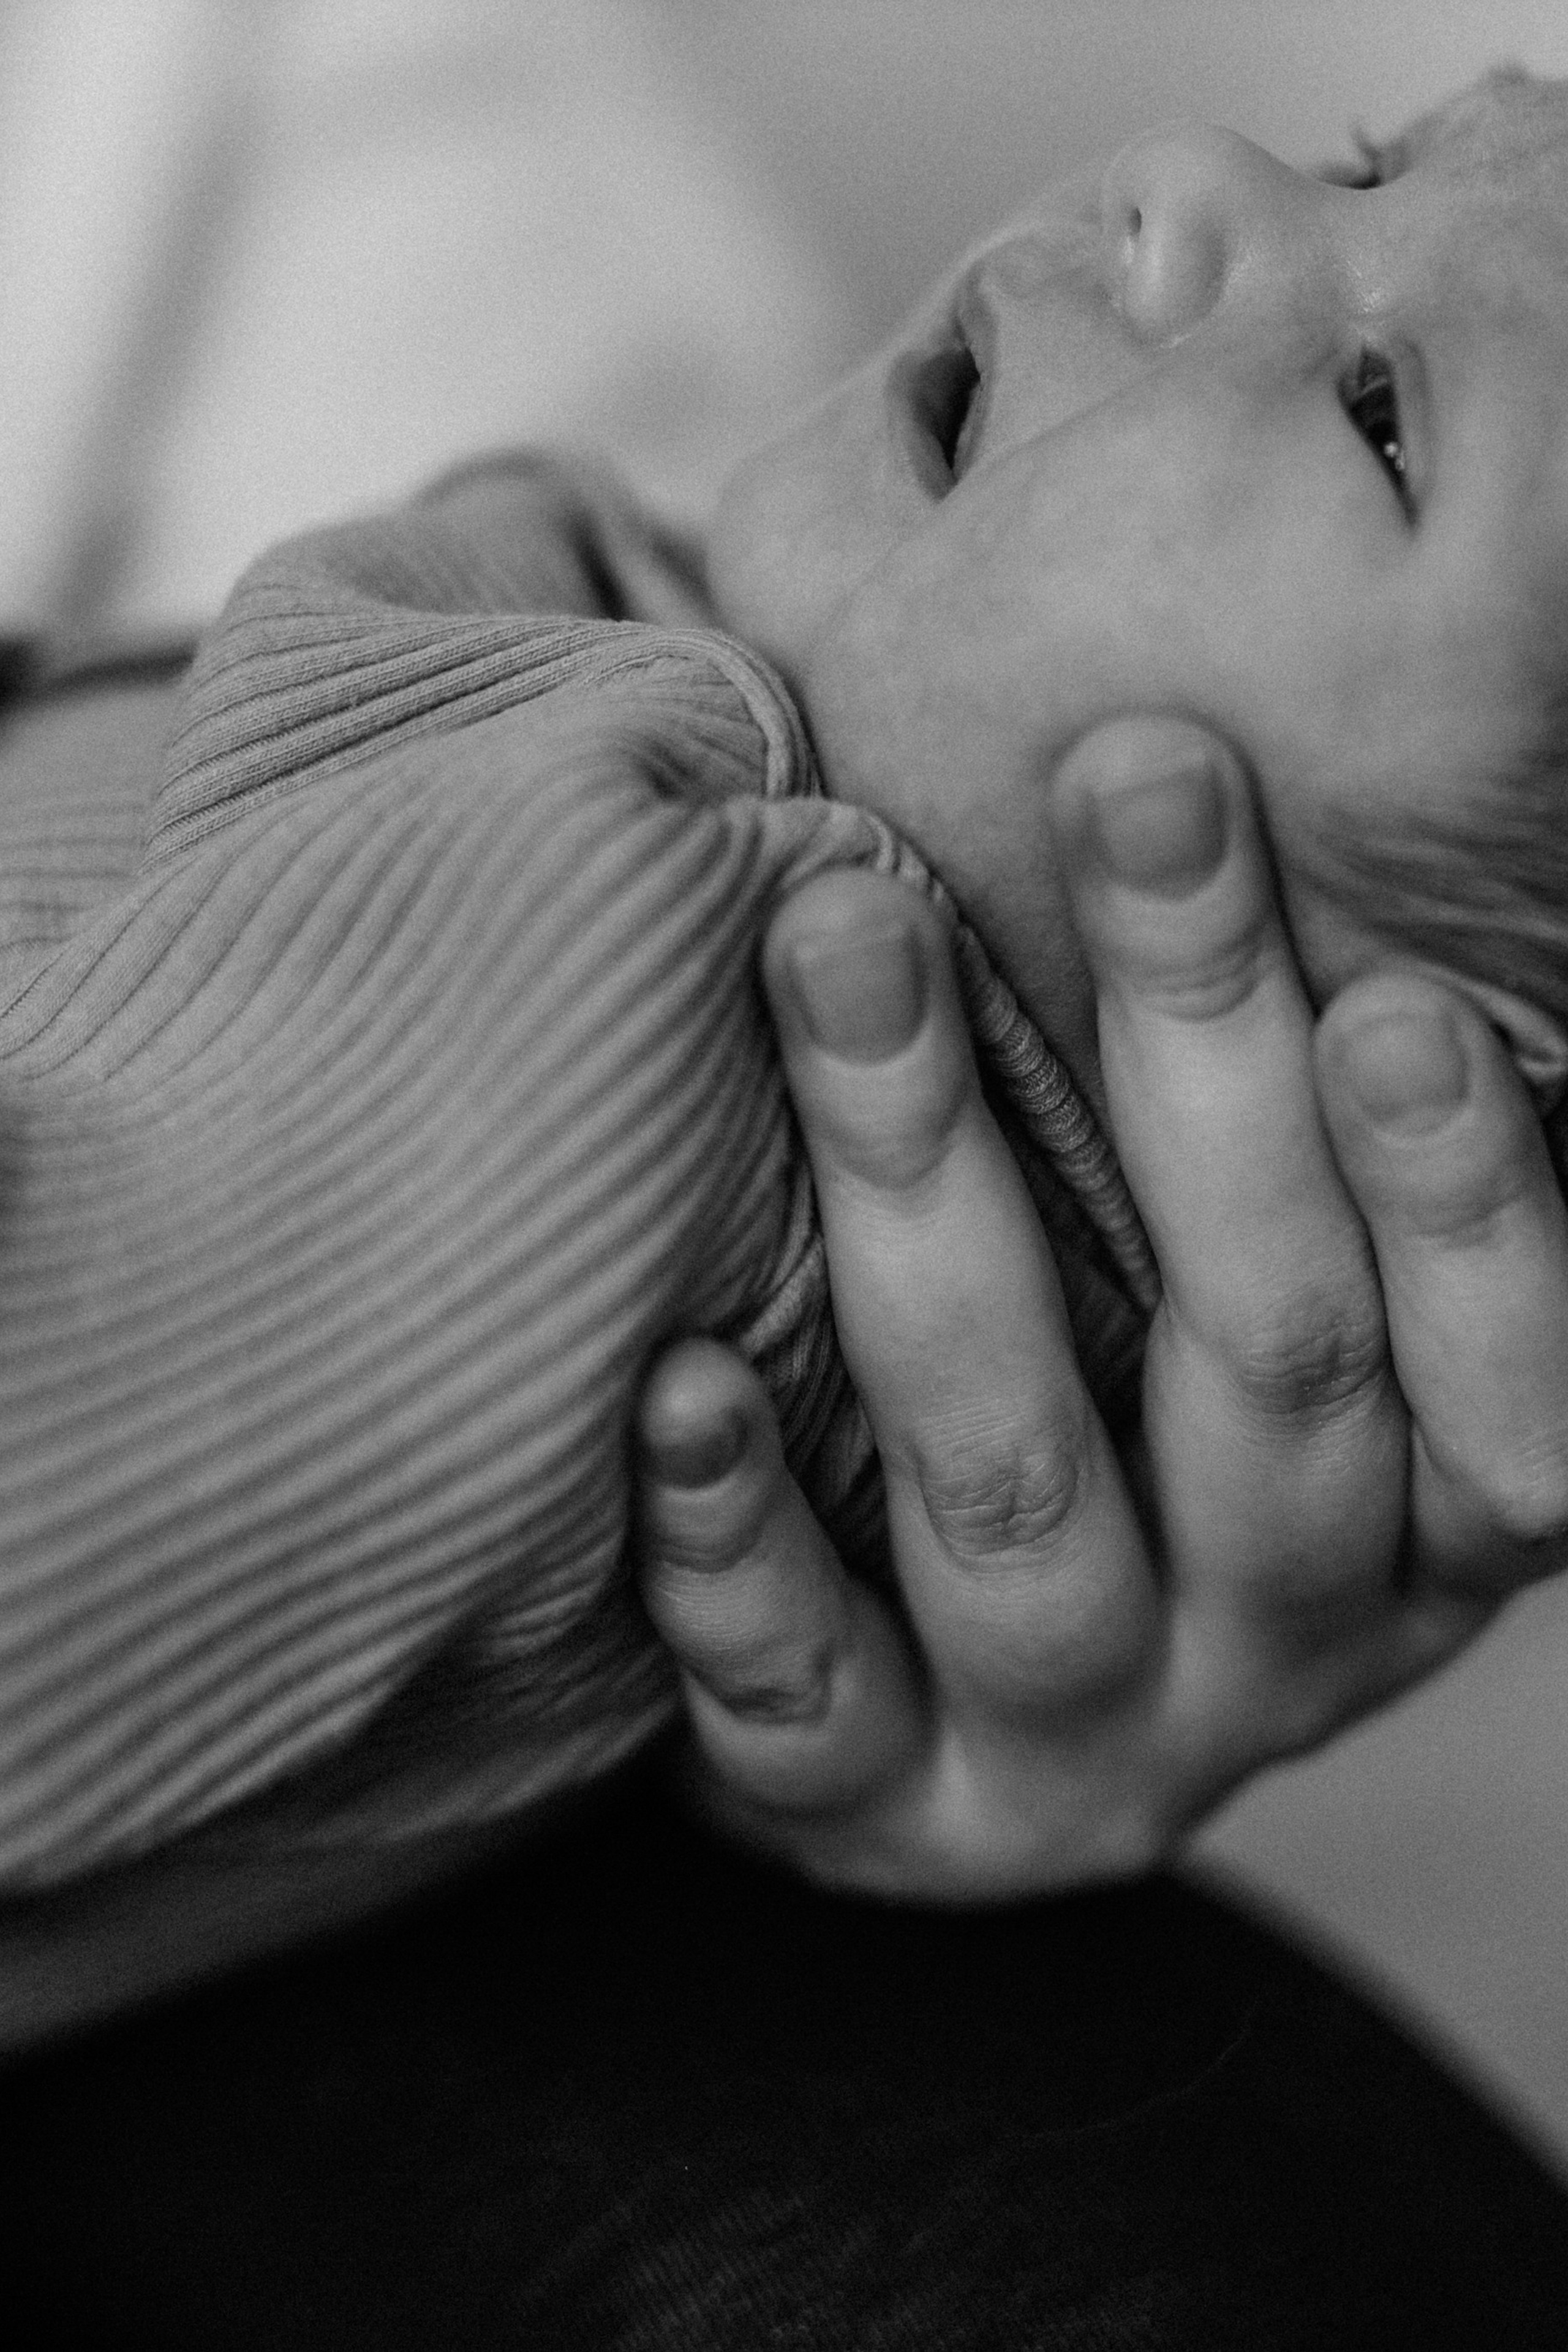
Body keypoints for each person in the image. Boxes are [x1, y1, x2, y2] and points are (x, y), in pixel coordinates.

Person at [1, 68, 1566, 2030]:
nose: (1194, 181)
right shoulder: (662, 713)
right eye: (1371, 157)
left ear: (1438, 1073)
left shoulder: (614, 1030)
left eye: (1382, 421)